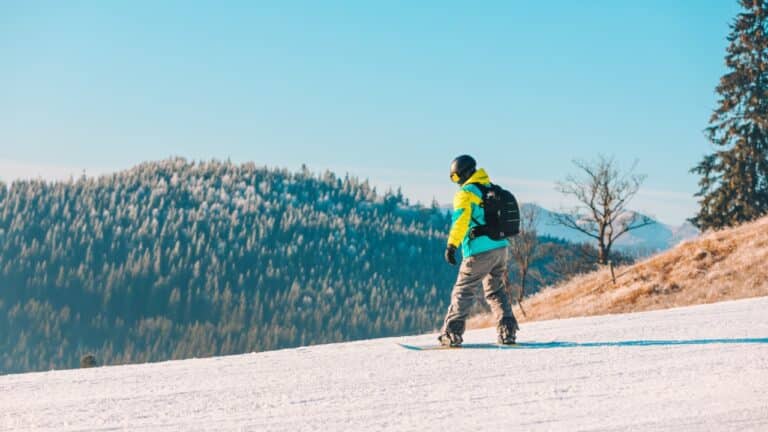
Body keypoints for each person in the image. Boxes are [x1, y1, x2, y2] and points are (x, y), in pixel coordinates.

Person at [439, 155, 519, 347]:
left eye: (456, 177)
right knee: (496, 290)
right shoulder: (491, 188)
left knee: (464, 290)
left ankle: (452, 332)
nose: (456, 182)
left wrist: (452, 245)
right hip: (501, 248)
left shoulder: (466, 193)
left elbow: (460, 221)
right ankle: (507, 330)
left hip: (479, 250)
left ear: (464, 173)